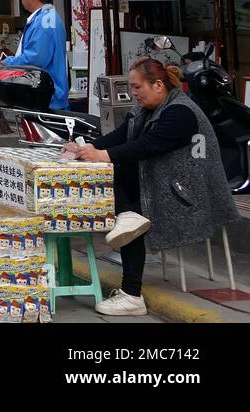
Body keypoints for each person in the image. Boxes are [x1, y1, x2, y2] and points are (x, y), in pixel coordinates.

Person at [66, 57, 239, 316]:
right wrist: (88, 148)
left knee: (131, 211)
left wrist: (104, 156)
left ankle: (132, 294)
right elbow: (121, 136)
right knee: (122, 201)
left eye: (137, 87)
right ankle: (127, 220)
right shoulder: (145, 109)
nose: (133, 93)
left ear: (158, 85)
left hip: (187, 195)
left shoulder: (181, 111)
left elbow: (148, 145)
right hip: (161, 182)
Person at [1, 0, 69, 110]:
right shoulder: (46, 17)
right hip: (47, 95)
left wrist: (8, 63)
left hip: (47, 98)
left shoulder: (45, 20)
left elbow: (35, 58)